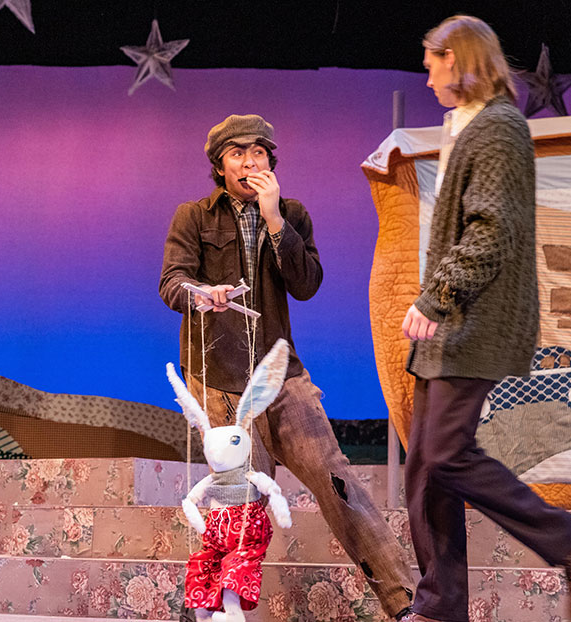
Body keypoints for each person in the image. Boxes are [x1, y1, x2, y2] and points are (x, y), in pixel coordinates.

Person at [160, 114, 415, 620]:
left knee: (337, 481)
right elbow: (171, 283)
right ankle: (219, 611)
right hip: (219, 384)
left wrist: (275, 220)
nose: (250, 161)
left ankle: (404, 603)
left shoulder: (292, 213)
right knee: (236, 505)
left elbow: (306, 284)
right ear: (219, 165)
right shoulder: (193, 217)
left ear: (271, 163)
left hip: (280, 377)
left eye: (259, 153)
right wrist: (201, 294)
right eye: (237, 153)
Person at [402, 15, 571, 622]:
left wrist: (435, 298)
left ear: (455, 58)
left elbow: (492, 230)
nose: (426, 79)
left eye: (430, 64)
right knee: (426, 467)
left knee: (447, 454)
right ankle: (440, 606)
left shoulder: (500, 128)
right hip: (454, 322)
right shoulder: (469, 126)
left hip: (477, 319)